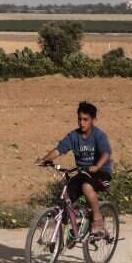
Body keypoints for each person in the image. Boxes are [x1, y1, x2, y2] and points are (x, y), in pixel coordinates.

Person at [36, 101, 113, 236]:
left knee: (86, 186)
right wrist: (45, 159)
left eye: (85, 119)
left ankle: (97, 219)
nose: (82, 123)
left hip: (101, 173)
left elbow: (106, 153)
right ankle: (62, 237)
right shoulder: (73, 136)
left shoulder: (98, 135)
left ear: (93, 120)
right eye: (79, 119)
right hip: (83, 173)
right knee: (64, 202)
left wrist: (97, 166)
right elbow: (59, 150)